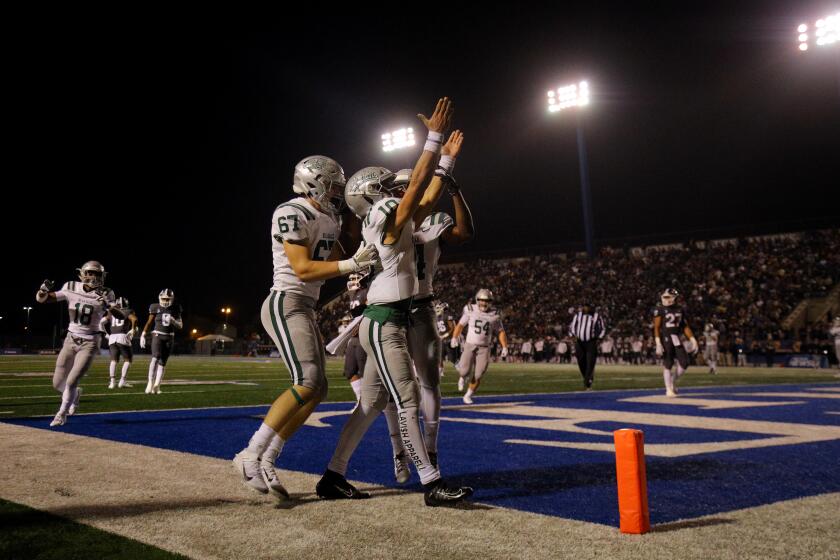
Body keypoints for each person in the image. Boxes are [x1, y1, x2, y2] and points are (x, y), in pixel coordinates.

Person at [316, 97, 473, 507]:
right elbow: (415, 194)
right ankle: (431, 482)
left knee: (371, 403)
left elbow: (423, 200)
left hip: (392, 318)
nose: (395, 188)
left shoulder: (389, 215)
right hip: (385, 321)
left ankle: (332, 475)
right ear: (372, 196)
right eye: (385, 186)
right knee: (405, 399)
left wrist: (446, 164)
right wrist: (433, 139)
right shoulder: (382, 217)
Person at [231, 154, 378, 499]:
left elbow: (334, 257)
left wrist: (365, 246)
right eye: (333, 185)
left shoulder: (329, 217)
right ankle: (249, 453)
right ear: (314, 182)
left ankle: (269, 455)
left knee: (319, 388)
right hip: (286, 300)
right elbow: (302, 268)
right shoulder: (290, 211)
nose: (338, 192)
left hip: (305, 304)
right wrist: (351, 263)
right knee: (307, 380)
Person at [381, 141, 474, 483]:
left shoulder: (431, 218)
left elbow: (464, 232)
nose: (396, 194)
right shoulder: (385, 218)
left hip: (420, 308)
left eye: (400, 188)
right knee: (391, 387)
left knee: (429, 383)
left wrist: (455, 192)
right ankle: (398, 451)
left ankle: (430, 449)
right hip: (389, 309)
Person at [34, 261, 120, 426]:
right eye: (90, 273)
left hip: (90, 342)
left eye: (97, 274)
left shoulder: (107, 293)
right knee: (57, 382)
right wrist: (42, 290)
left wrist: (109, 306)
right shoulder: (71, 286)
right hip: (70, 339)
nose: (93, 277)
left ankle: (61, 413)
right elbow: (43, 300)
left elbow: (121, 316)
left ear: (102, 276)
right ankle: (75, 395)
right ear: (82, 274)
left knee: (72, 380)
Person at [451, 289, 509, 404]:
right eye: (481, 300)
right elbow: (460, 325)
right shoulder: (470, 309)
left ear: (491, 301)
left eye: (486, 300)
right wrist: (454, 337)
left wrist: (504, 346)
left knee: (479, 374)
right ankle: (462, 377)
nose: (484, 303)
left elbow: (501, 331)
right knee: (464, 371)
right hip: (470, 344)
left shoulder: (495, 314)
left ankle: (468, 395)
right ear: (477, 300)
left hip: (484, 347)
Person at [653, 288, 698, 397]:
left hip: (677, 337)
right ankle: (668, 389)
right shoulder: (660, 309)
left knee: (684, 362)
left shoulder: (680, 309)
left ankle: (672, 381)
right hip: (666, 338)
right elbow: (657, 327)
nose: (666, 299)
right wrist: (658, 342)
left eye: (668, 297)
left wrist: (692, 339)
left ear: (674, 298)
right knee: (668, 363)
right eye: (665, 297)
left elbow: (684, 326)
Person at [139, 289, 183, 394]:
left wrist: (173, 321)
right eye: (163, 299)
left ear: (172, 299)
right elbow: (149, 322)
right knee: (155, 358)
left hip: (169, 337)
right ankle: (150, 382)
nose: (165, 301)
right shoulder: (155, 307)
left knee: (163, 362)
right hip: (157, 335)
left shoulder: (176, 308)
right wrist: (143, 334)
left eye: (168, 299)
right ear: (160, 298)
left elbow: (180, 326)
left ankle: (157, 385)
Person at [100, 297, 137, 388]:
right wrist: (133, 329)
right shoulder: (128, 311)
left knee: (114, 360)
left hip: (112, 337)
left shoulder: (112, 312)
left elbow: (101, 322)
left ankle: (112, 382)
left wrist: (105, 333)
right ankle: (122, 381)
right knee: (128, 360)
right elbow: (134, 319)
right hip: (122, 336)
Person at [343, 273, 368, 401]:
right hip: (353, 337)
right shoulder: (353, 295)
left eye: (354, 278)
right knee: (349, 371)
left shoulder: (366, 292)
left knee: (365, 373)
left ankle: (368, 402)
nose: (352, 281)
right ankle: (360, 399)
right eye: (351, 279)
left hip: (363, 336)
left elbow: (370, 312)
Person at [569, 303, 605, 390]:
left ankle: (587, 382)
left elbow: (603, 328)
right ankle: (588, 377)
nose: (584, 308)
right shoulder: (578, 315)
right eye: (583, 307)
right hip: (579, 342)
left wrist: (599, 338)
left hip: (591, 342)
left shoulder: (596, 316)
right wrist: (572, 336)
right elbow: (572, 326)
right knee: (581, 362)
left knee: (590, 362)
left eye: (586, 307)